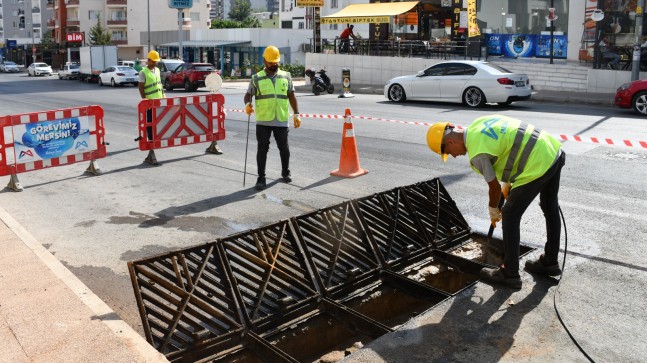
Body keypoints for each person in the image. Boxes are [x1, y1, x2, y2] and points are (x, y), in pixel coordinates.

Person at [426, 115, 566, 289]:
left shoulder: (477, 154)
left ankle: (510, 274)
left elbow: (494, 189)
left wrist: (493, 209)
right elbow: (509, 143)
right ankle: (550, 263)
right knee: (549, 206)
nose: (452, 156)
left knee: (510, 215)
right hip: (552, 150)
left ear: (451, 141)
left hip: (537, 163)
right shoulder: (479, 123)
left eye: (447, 152)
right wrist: (509, 182)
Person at [243, 45, 301, 191]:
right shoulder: (256, 78)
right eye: (271, 62)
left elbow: (291, 96)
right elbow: (248, 95)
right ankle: (261, 178)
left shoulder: (286, 76)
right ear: (264, 61)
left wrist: (297, 114)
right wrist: (248, 104)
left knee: (284, 148)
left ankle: (285, 172)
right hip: (263, 120)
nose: (274, 64)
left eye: (276, 62)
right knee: (262, 149)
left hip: (281, 119)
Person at [138, 50, 165, 142]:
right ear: (148, 60)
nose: (155, 63)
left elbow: (159, 84)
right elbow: (141, 87)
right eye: (153, 61)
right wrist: (145, 100)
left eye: (156, 61)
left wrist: (163, 95)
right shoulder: (143, 72)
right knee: (150, 122)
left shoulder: (157, 70)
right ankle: (150, 139)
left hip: (159, 100)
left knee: (159, 120)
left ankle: (157, 137)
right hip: (149, 102)